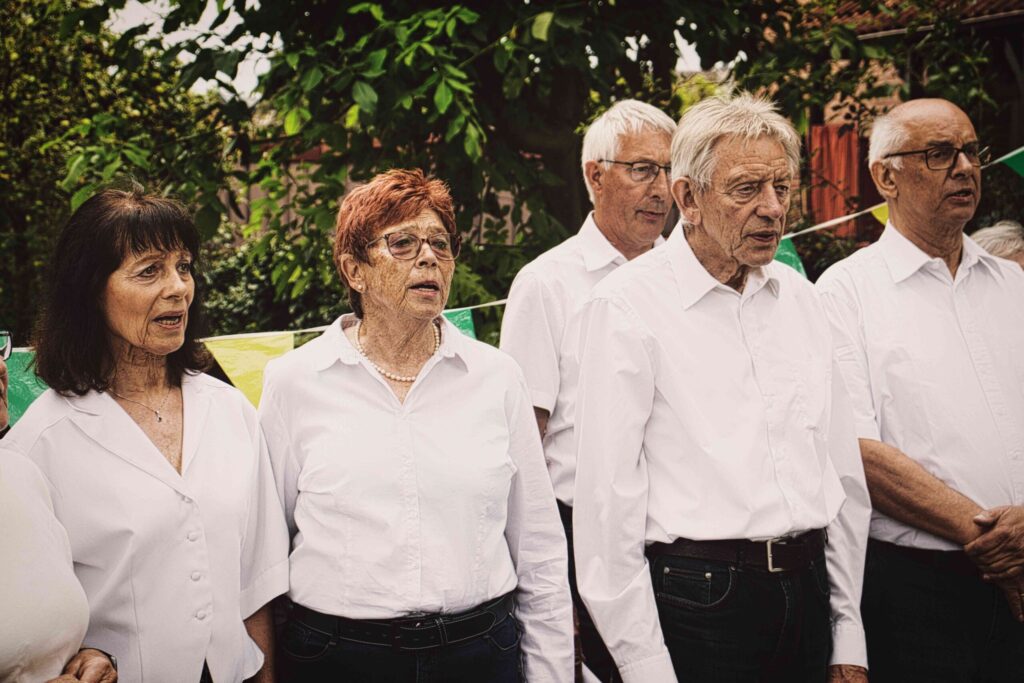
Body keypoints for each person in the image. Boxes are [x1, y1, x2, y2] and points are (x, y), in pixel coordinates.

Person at [571, 93, 871, 683]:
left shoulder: (804, 300)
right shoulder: (626, 306)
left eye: (781, 188)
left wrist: (848, 636)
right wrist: (644, 668)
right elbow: (608, 509)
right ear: (689, 198)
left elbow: (840, 475)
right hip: (701, 599)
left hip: (809, 591)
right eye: (746, 189)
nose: (772, 209)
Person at [260, 169, 573, 682]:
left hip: (479, 653)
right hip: (339, 658)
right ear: (354, 270)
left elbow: (538, 549)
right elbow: (265, 554)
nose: (428, 257)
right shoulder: (294, 381)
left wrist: (552, 674)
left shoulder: (497, 378)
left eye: (440, 245)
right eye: (402, 243)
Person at [1, 188, 289, 682]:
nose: (178, 287)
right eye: (149, 270)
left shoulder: (229, 410)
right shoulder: (36, 445)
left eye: (184, 266)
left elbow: (255, 586)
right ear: (91, 290)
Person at [817, 98, 1024, 682]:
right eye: (938, 154)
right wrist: (996, 543)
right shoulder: (844, 293)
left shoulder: (1013, 284)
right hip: (917, 590)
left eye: (970, 151)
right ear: (886, 176)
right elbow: (856, 451)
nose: (964, 167)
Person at [499, 98, 674, 681]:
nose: (661, 189)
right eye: (643, 169)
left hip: (680, 538)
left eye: (671, 171)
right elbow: (523, 450)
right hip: (580, 532)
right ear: (595, 175)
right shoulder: (546, 283)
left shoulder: (687, 278)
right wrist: (550, 587)